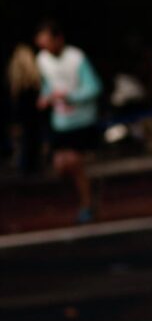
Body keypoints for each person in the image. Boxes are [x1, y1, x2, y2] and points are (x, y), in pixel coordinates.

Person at [35, 21, 103, 222]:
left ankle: (86, 205)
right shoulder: (42, 60)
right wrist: (45, 97)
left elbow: (94, 87)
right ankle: (86, 195)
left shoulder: (76, 58)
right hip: (61, 121)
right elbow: (49, 84)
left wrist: (71, 97)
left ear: (59, 39)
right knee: (60, 166)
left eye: (48, 43)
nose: (45, 48)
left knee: (75, 163)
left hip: (81, 120)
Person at [8, 44, 45, 176]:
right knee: (33, 142)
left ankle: (26, 169)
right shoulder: (35, 78)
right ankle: (34, 168)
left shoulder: (16, 81)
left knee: (24, 143)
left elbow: (14, 104)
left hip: (23, 117)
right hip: (34, 116)